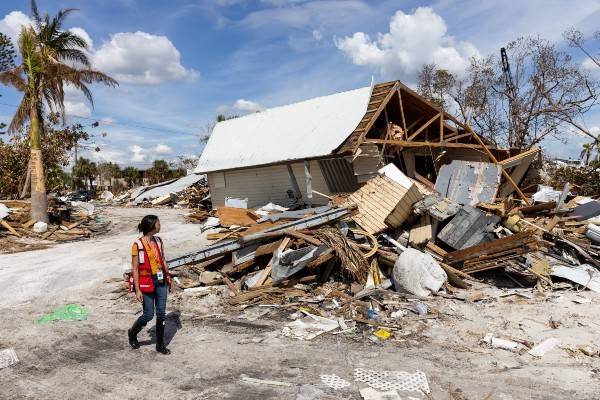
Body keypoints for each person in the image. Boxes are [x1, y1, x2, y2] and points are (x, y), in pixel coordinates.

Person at [127, 215, 172, 355]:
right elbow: (134, 268)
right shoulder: (138, 245)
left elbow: (163, 259)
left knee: (161, 314)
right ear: (152, 225)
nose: (160, 225)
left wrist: (168, 276)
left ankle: (160, 344)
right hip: (146, 282)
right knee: (148, 315)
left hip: (161, 280)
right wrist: (137, 289)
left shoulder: (159, 241)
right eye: (158, 222)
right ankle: (132, 333)